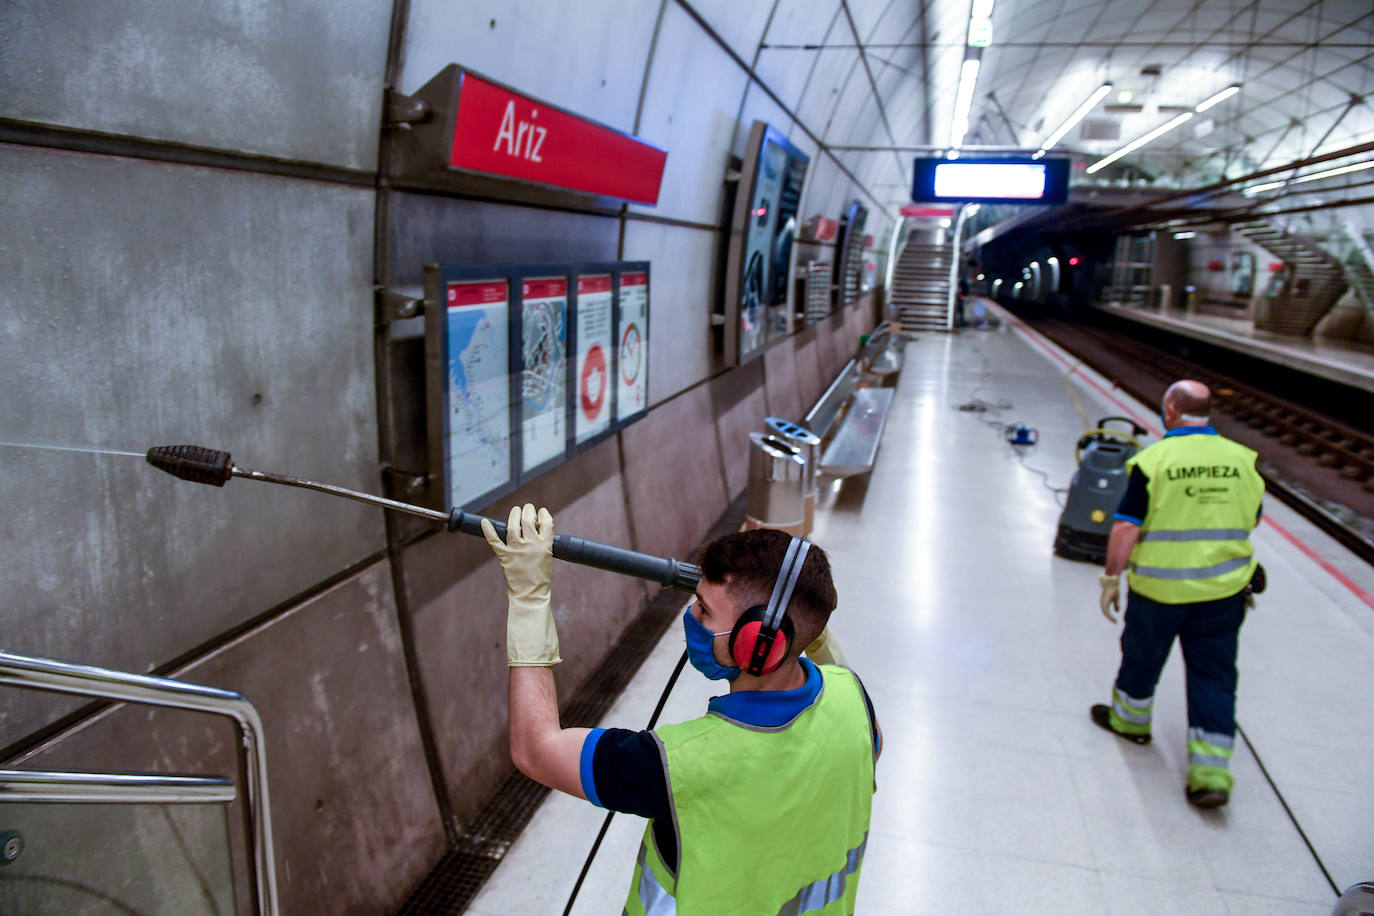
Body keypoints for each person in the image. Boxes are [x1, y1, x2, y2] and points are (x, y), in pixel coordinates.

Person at [484, 506, 880, 914]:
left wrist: (529, 601)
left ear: (758, 644)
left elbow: (536, 749)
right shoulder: (855, 703)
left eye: (705, 609)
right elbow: (860, 723)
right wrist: (807, 633)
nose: (691, 616)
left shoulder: (678, 764)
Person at [1092, 380, 1264, 808]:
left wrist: (1112, 577)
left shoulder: (1154, 461)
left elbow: (1126, 526)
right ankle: (1211, 774)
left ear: (1170, 410)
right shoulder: (1242, 459)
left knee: (1143, 656)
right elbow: (1253, 517)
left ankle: (1130, 722)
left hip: (1159, 589)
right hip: (1223, 590)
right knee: (1214, 674)